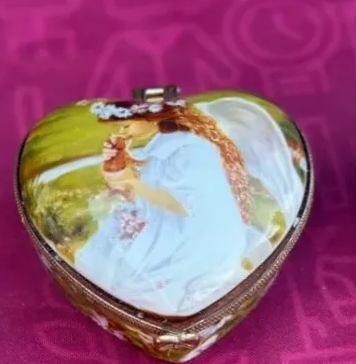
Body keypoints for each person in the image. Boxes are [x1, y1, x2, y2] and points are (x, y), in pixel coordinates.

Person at [73, 99, 258, 318]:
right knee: (110, 250)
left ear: (153, 118)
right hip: (169, 223)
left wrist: (133, 182)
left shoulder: (188, 151)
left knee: (138, 281)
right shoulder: (162, 146)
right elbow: (143, 197)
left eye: (126, 126)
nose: (123, 133)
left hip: (197, 235)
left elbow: (183, 207)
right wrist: (118, 165)